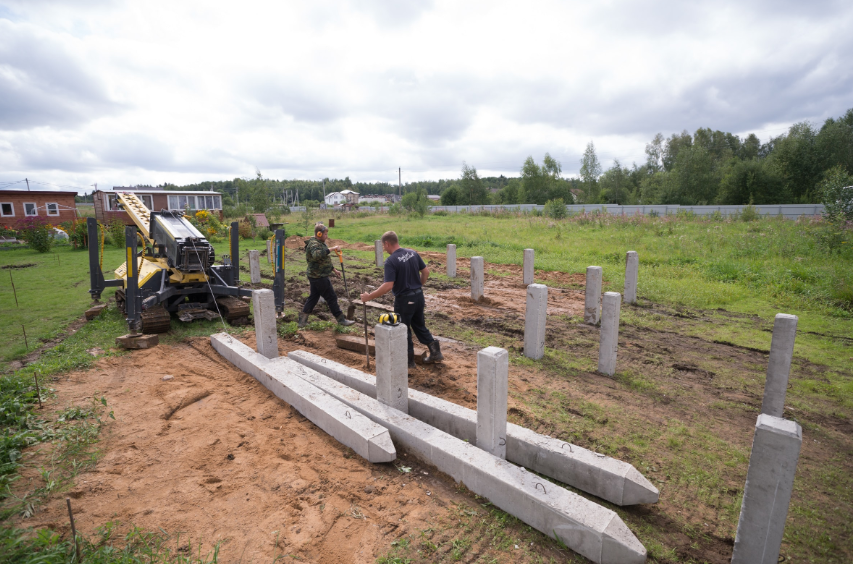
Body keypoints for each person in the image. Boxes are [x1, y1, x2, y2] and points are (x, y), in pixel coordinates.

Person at [360, 230, 443, 369]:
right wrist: (418, 286)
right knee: (419, 325)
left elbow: (388, 286)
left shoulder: (391, 261)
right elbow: (426, 272)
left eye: (383, 246)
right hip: (418, 296)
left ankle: (409, 362)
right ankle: (435, 352)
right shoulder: (413, 253)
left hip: (404, 300)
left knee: (403, 330)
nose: (384, 249)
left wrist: (369, 296)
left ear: (387, 243)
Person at [299, 223, 355, 328]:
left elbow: (323, 260)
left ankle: (302, 321)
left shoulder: (320, 242)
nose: (327, 236)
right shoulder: (314, 244)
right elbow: (316, 255)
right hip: (319, 276)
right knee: (331, 297)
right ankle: (341, 320)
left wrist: (334, 269)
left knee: (313, 297)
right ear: (319, 234)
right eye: (325, 234)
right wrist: (332, 248)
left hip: (315, 275)